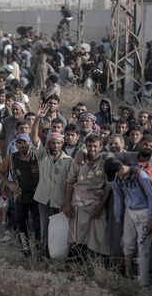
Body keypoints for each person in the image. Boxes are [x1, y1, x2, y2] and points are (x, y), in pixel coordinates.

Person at [32, 104, 73, 258]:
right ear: (48, 143)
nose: (55, 145)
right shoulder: (43, 156)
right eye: (52, 143)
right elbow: (34, 137)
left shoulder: (69, 161)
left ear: (62, 144)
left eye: (58, 143)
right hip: (44, 199)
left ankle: (58, 258)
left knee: (59, 232)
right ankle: (43, 257)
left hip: (60, 201)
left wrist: (67, 202)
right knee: (45, 230)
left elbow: (70, 183)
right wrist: (37, 118)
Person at [111, 158, 152, 286]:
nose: (117, 176)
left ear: (121, 168)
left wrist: (151, 218)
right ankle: (129, 273)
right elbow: (118, 198)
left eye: (117, 173)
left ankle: (143, 282)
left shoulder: (141, 176)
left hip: (144, 213)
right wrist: (118, 218)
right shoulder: (117, 179)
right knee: (127, 244)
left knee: (144, 248)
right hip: (129, 212)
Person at [63, 134, 112, 257]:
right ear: (86, 146)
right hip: (78, 204)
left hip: (96, 204)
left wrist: (100, 208)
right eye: (89, 146)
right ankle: (76, 262)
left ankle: (95, 264)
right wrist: (67, 205)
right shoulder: (79, 161)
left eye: (95, 146)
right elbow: (70, 182)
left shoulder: (105, 163)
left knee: (98, 237)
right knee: (76, 236)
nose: (92, 149)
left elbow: (107, 188)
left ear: (101, 147)